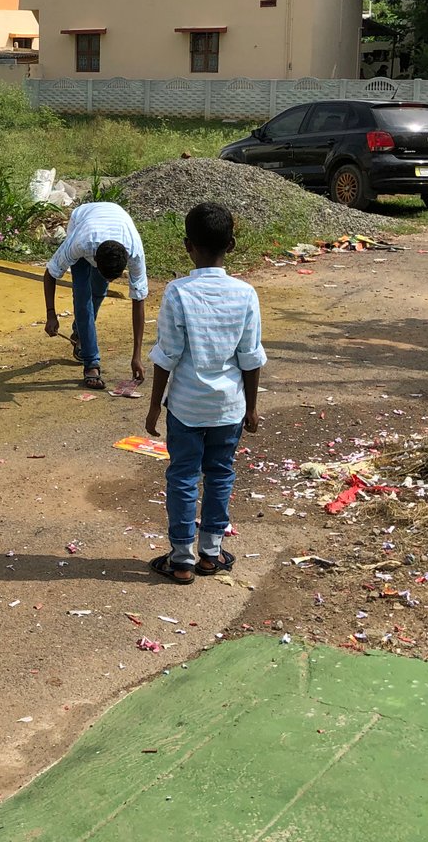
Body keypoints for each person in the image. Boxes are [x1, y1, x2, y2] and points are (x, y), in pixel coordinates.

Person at [142, 203, 265, 585]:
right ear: (231, 244)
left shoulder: (178, 292)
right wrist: (252, 408)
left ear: (187, 246)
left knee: (182, 477)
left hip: (186, 407)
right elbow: (250, 358)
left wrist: (154, 407)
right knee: (220, 474)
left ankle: (181, 560)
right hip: (229, 407)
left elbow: (167, 354)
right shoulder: (245, 294)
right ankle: (211, 554)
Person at [42, 200, 148, 390]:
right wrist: (51, 314)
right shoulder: (80, 244)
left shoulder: (134, 253)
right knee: (82, 297)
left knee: (99, 290)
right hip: (82, 219)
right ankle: (91, 363)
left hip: (116, 217)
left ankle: (80, 332)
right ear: (96, 261)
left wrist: (137, 357)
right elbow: (50, 273)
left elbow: (139, 300)